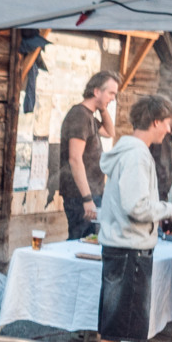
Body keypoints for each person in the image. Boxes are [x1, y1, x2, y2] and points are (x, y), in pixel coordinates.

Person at [93, 94, 172, 342]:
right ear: (155, 121)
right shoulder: (137, 155)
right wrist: (170, 210)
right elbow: (136, 206)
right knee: (115, 322)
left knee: (112, 319)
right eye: (166, 123)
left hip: (121, 246)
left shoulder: (127, 150)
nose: (168, 129)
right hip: (129, 249)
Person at [57, 69, 119, 239]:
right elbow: (75, 159)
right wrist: (87, 198)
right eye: (111, 93)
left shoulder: (89, 115)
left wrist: (103, 109)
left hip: (92, 193)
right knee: (81, 241)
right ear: (96, 91)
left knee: (90, 240)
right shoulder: (79, 115)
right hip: (81, 196)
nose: (113, 98)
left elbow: (110, 132)